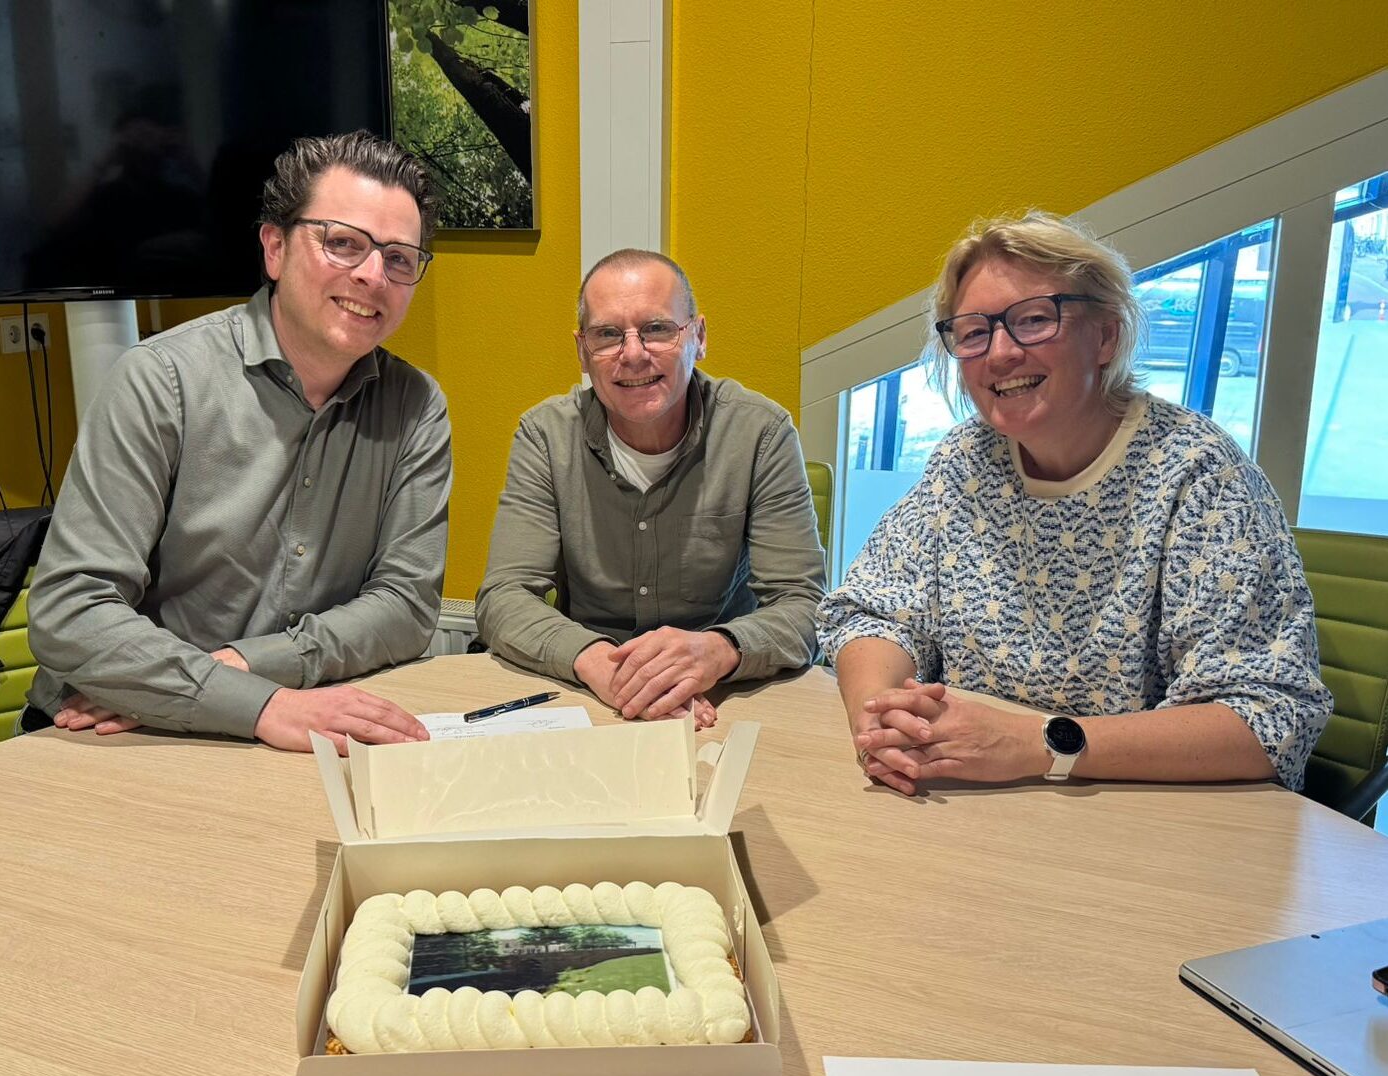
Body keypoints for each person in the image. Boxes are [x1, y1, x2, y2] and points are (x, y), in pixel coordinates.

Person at [818, 211, 1331, 796]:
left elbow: (1267, 720)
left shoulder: (1198, 475)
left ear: (1106, 336)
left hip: (1143, 819)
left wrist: (1035, 744)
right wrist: (884, 719)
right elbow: (873, 610)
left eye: (1034, 320)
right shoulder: (964, 460)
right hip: (979, 804)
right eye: (973, 331)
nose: (1001, 352)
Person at [27, 132, 451, 756]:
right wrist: (256, 702)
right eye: (343, 243)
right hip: (116, 738)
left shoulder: (416, 407)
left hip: (284, 727)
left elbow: (405, 605)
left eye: (399, 257)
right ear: (275, 247)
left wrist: (241, 673)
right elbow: (71, 610)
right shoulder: (160, 381)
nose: (371, 274)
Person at [476, 249, 825, 725]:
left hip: (722, 697)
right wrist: (609, 669)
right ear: (583, 351)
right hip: (590, 692)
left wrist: (718, 651)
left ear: (697, 337)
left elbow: (803, 606)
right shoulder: (545, 436)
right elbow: (504, 597)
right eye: (607, 335)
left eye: (658, 328)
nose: (633, 353)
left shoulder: (760, 433)